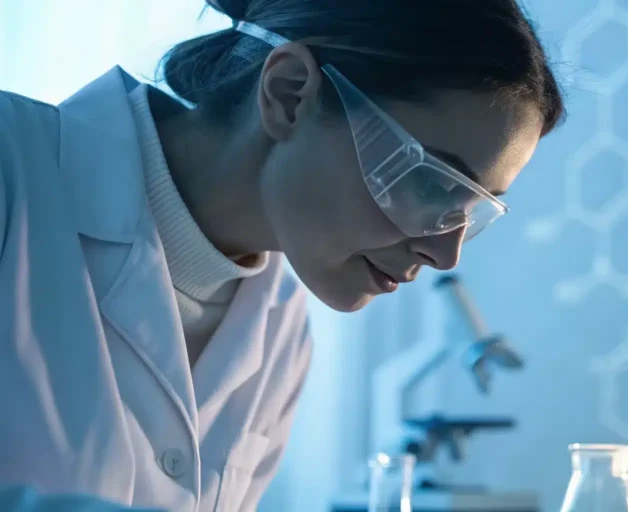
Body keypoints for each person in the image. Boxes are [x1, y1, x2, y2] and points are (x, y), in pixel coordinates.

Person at [0, 0, 565, 510]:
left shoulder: (281, 331)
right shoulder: (12, 169)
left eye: (471, 212)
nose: (446, 254)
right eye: (431, 184)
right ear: (289, 93)